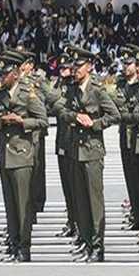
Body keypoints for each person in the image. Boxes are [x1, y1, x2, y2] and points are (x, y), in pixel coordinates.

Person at [54, 46, 120, 263]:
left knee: (94, 201)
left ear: (89, 67)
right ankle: (86, 241)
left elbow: (114, 115)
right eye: (74, 66)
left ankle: (98, 247)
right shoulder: (72, 89)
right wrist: (75, 116)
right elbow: (60, 110)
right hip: (75, 150)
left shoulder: (97, 90)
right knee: (80, 200)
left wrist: (95, 123)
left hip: (92, 151)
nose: (75, 69)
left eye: (79, 66)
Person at [0, 53, 47, 263]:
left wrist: (22, 121)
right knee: (10, 205)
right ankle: (13, 244)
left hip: (22, 155)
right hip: (5, 155)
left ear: (15, 74)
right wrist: (1, 120)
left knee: (23, 205)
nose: (1, 78)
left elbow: (43, 120)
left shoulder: (27, 94)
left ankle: (24, 247)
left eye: (5, 74)